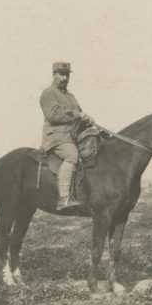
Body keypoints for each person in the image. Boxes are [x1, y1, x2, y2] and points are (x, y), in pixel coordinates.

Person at [40, 62, 94, 210]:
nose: (65, 78)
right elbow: (53, 115)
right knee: (72, 155)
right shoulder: (48, 93)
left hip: (72, 137)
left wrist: (87, 120)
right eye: (62, 74)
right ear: (54, 74)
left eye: (67, 75)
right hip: (56, 138)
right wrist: (78, 115)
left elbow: (78, 117)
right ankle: (64, 198)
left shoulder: (71, 97)